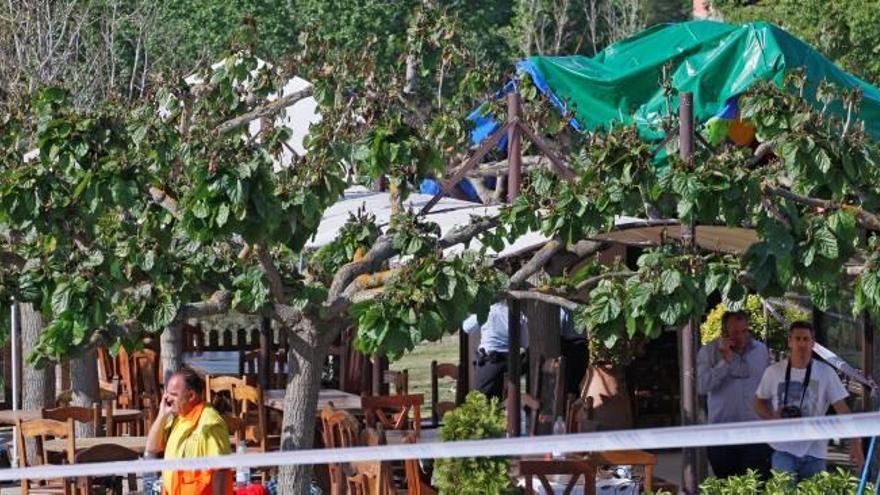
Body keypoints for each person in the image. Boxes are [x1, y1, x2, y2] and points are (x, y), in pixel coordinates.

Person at [754, 321, 864, 482]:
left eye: (806, 339)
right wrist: (772, 417)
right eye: (797, 339)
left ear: (812, 343)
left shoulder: (826, 373)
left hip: (815, 450)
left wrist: (856, 443)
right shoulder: (773, 372)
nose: (801, 344)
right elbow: (758, 403)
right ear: (789, 341)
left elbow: (843, 410)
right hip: (782, 448)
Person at [697, 311, 772, 479]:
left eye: (744, 331)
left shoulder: (760, 350)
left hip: (757, 434)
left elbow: (768, 388)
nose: (741, 337)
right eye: (735, 332)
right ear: (725, 332)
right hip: (723, 435)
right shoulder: (708, 352)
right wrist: (726, 362)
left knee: (757, 485)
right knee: (728, 485)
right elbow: (701, 386)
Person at [145, 367, 233, 495]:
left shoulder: (209, 423)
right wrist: (161, 415)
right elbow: (152, 448)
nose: (168, 399)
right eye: (167, 393)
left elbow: (221, 471)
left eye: (174, 395)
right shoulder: (178, 418)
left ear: (191, 396)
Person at [463, 301, 528, 401]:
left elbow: (467, 327)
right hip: (511, 364)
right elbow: (525, 342)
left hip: (489, 363)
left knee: (480, 403)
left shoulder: (488, 310)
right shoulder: (519, 314)